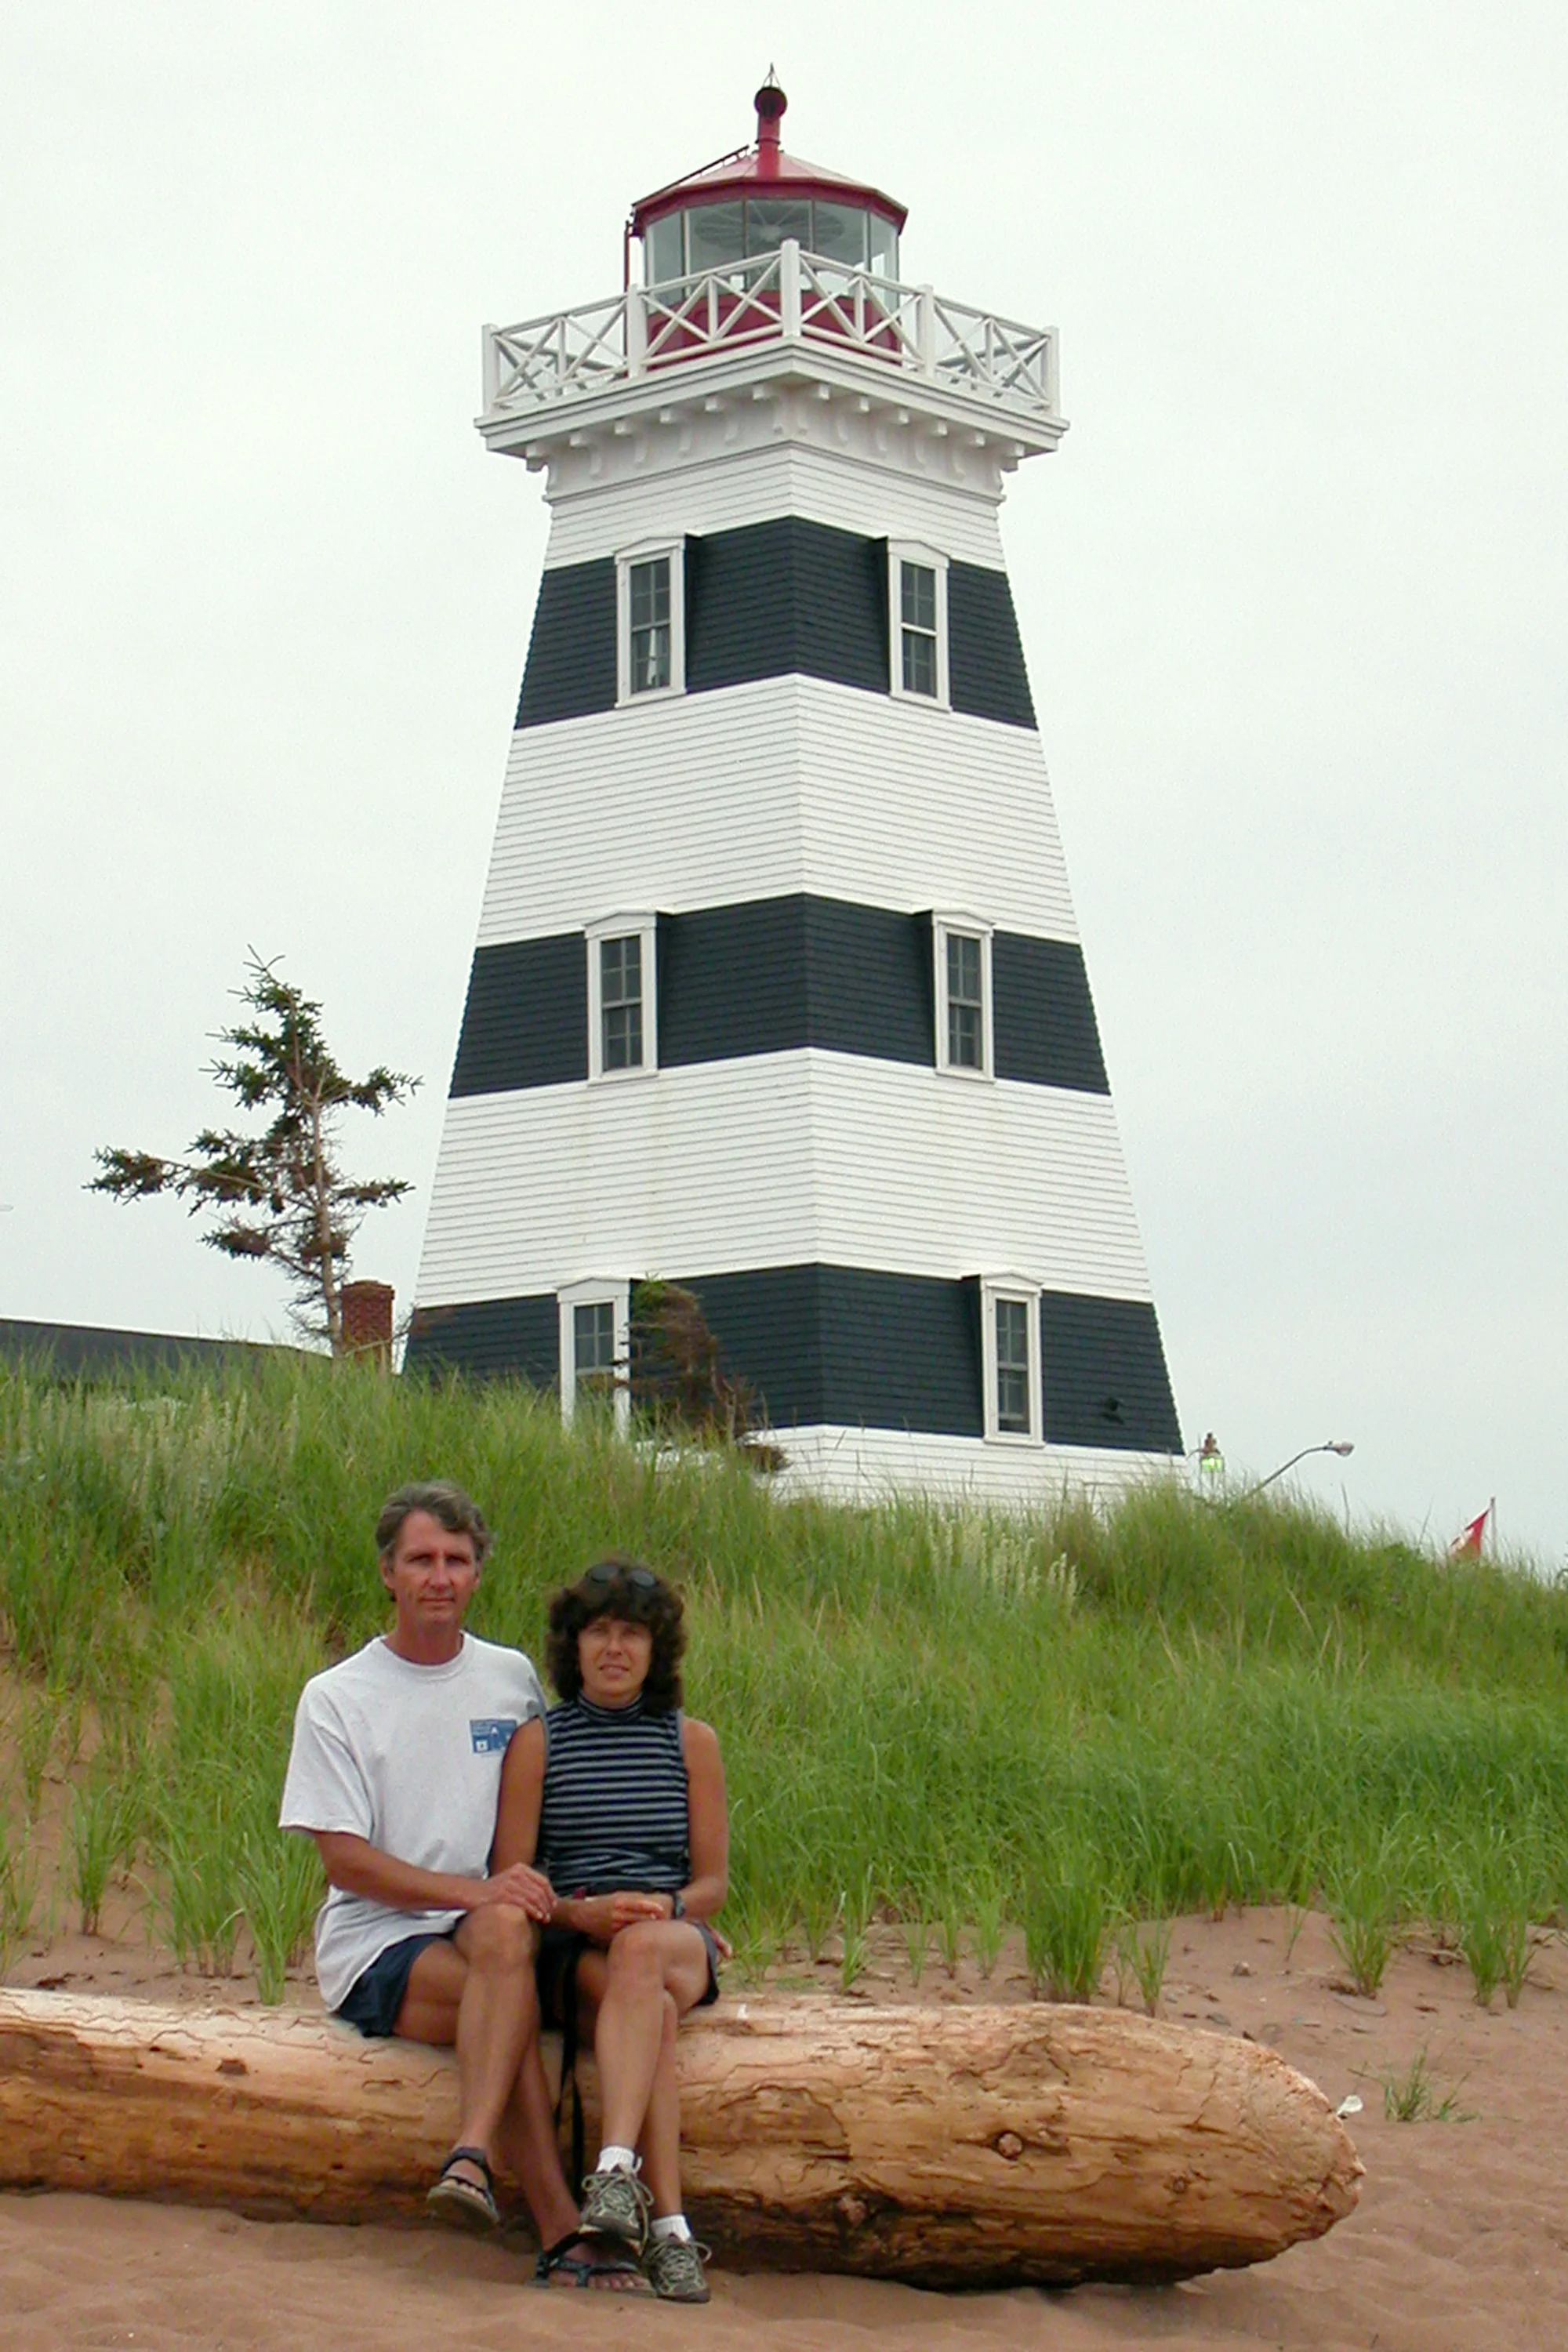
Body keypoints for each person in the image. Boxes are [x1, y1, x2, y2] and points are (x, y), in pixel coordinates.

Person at [278, 1482, 648, 2292]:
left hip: (491, 1926)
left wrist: (665, 1910)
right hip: (378, 1941)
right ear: (387, 1573)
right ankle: (554, 2225)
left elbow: (549, 1821)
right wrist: (477, 1894)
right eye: (420, 1560)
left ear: (477, 1573)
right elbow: (345, 1863)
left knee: (534, 1959)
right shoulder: (337, 1698)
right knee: (504, 1984)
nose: (438, 1577)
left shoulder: (508, 1679)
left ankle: (486, 2164)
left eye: (455, 1560)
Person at [494, 1555, 728, 2303]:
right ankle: (672, 2234)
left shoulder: (691, 1742)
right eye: (598, 1632)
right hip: (579, 1943)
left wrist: (670, 1910)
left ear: (657, 1650)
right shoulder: (540, 1742)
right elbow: (513, 1876)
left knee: (642, 1953)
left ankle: (617, 2170)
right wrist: (574, 1912)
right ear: (574, 1646)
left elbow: (712, 1884)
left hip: (669, 1936)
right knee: (649, 2010)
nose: (615, 1648)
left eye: (632, 1633)